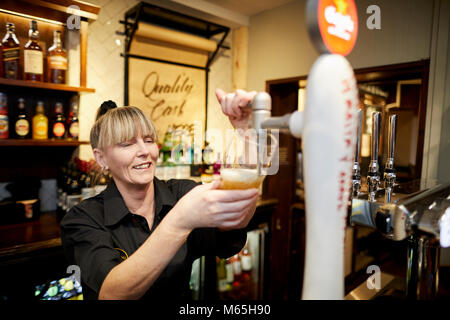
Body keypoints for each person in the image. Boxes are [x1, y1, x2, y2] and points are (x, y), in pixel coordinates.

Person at [60, 89, 257, 300]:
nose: (144, 151)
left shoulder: (180, 192)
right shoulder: (83, 219)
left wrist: (245, 131)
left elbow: (238, 210)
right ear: (101, 159)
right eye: (127, 144)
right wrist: (179, 221)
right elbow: (113, 294)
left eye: (148, 140)